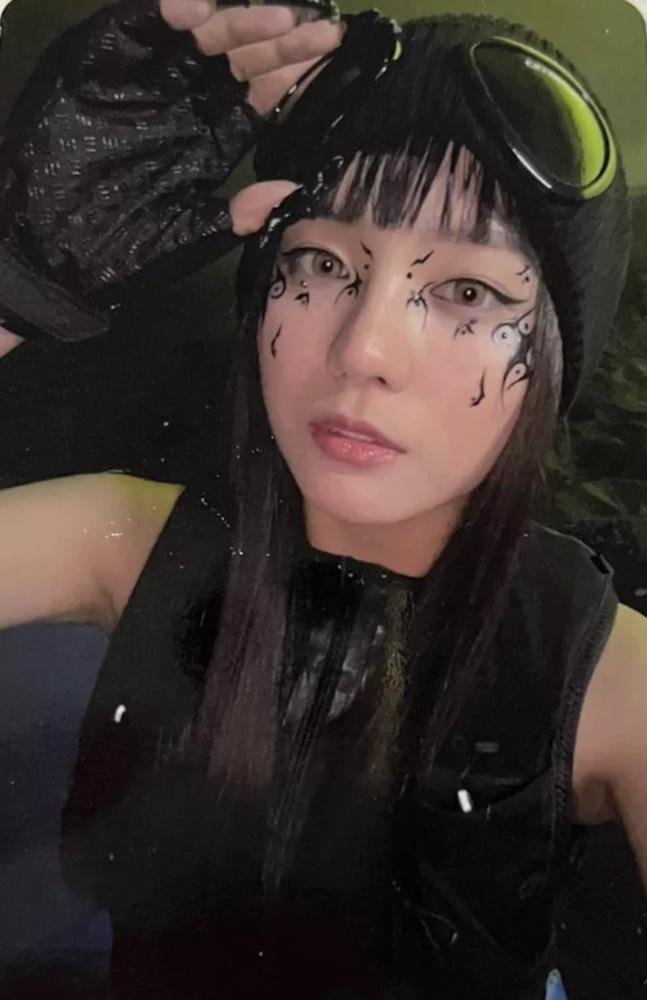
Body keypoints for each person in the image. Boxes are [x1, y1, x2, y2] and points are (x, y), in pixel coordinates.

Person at [0, 1, 644, 997]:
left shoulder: (611, 683)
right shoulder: (125, 540)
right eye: (323, 263)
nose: (363, 350)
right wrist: (15, 289)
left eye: (468, 293)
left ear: (552, 363)